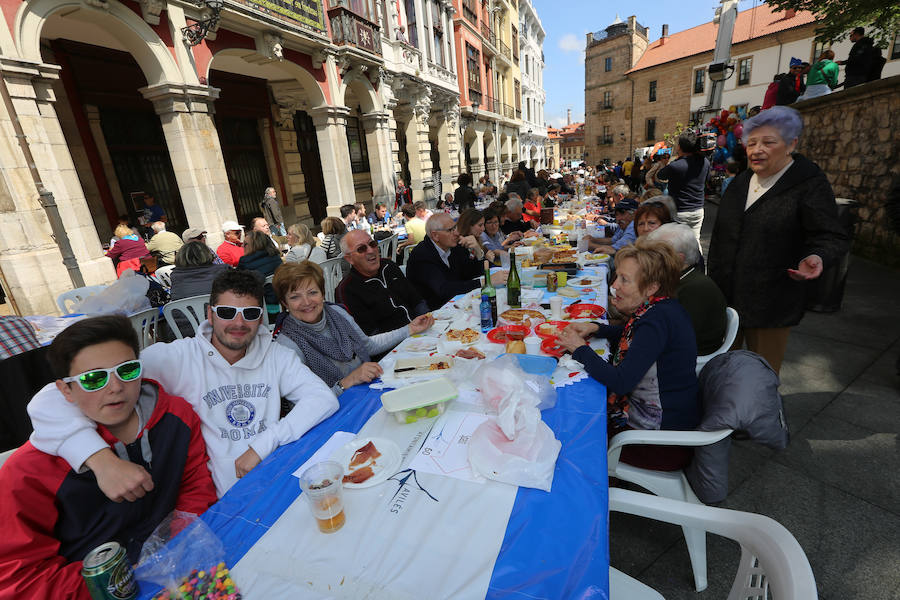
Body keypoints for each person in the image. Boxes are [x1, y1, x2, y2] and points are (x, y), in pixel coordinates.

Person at [26, 270, 339, 497]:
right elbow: (49, 400)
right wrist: (99, 460)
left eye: (250, 313)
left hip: (280, 477)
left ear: (261, 318)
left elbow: (322, 399)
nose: (239, 323)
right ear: (210, 314)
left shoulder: (275, 355)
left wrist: (263, 444)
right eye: (228, 312)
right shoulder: (175, 358)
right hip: (220, 499)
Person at [0, 315, 217, 598]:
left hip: (178, 564)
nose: (115, 387)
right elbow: (19, 575)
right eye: (93, 378)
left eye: (127, 370)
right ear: (65, 389)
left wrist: (178, 549)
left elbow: (195, 488)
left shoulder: (177, 416)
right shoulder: (29, 470)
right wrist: (115, 585)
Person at [708, 106, 849, 374]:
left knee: (762, 377)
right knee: (723, 373)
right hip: (726, 298)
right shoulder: (742, 181)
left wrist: (818, 256)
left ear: (791, 144)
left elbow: (831, 235)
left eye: (768, 142)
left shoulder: (808, 183)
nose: (756, 149)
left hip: (770, 304)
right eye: (751, 143)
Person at [557, 239, 699, 470]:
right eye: (617, 277)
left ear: (652, 287)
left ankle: (592, 493)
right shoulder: (660, 309)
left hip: (659, 442)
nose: (614, 285)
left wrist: (579, 349)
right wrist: (596, 328)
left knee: (570, 429)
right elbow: (634, 336)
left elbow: (621, 381)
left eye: (624, 280)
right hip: (669, 421)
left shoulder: (655, 322)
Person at [273, 261, 434, 395]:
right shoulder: (287, 344)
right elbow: (304, 404)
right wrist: (346, 383)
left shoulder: (336, 312)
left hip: (369, 389)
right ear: (285, 303)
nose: (306, 302)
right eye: (295, 297)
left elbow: (367, 346)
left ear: (322, 294)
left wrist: (409, 329)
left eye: (312, 292)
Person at [648, 223, 727, 356]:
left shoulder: (696, 289)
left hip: (688, 358)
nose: (650, 259)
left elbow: (674, 337)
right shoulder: (679, 278)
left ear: (678, 259)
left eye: (657, 254)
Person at [335, 230, 429, 336]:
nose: (370, 250)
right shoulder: (347, 289)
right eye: (361, 249)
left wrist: (429, 321)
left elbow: (416, 301)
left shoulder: (389, 266)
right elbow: (370, 336)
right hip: (392, 347)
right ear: (349, 259)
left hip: (420, 331)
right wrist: (409, 331)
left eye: (372, 244)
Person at [406, 213, 507, 310]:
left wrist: (478, 250)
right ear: (435, 235)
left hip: (458, 303)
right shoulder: (422, 255)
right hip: (434, 311)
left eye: (455, 227)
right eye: (450, 230)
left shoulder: (454, 247)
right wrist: (486, 282)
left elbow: (472, 273)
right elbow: (444, 290)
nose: (457, 233)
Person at [657, 131, 710, 244]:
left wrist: (676, 159)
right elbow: (707, 179)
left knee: (677, 244)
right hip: (698, 210)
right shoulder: (705, 162)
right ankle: (697, 261)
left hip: (680, 211)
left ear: (679, 147)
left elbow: (660, 175)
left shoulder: (675, 166)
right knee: (695, 241)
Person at [238, 230, 283, 314]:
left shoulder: (245, 262)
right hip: (283, 304)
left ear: (255, 245)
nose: (242, 246)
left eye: (245, 244)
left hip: (262, 310)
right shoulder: (276, 257)